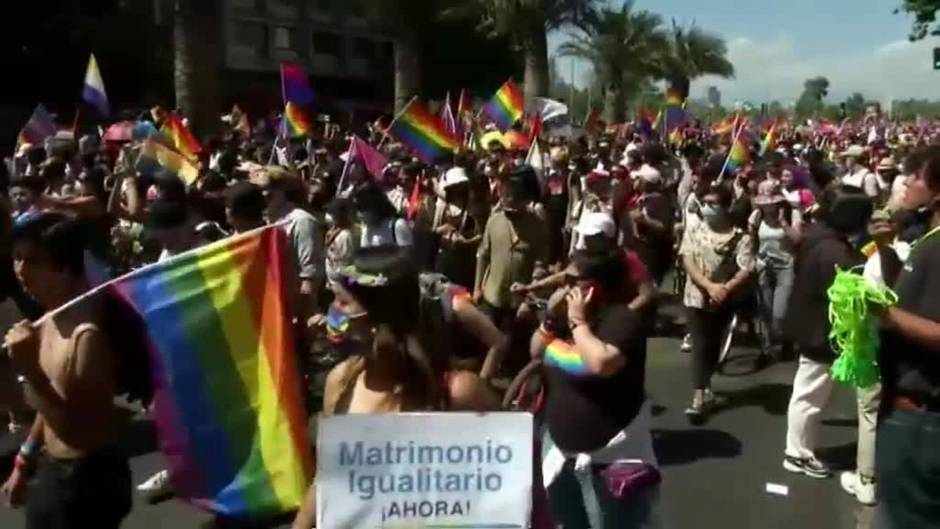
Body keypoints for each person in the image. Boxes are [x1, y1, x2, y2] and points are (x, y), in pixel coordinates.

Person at [291, 246, 499, 529]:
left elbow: (515, 474)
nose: (333, 312)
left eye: (342, 302)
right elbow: (328, 476)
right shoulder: (340, 382)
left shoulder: (455, 394)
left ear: (379, 319)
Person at [3, 213, 131, 528]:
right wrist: (24, 459)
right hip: (54, 469)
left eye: (32, 261)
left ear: (63, 269)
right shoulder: (48, 320)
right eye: (16, 258)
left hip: (88, 482)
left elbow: (77, 430)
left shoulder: (86, 336)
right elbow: (50, 410)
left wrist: (29, 369)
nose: (20, 271)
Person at [534, 249, 659, 529]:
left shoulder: (623, 321)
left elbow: (601, 363)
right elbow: (536, 350)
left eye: (572, 281)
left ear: (596, 287)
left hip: (609, 464)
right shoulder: (565, 318)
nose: (564, 287)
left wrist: (578, 323)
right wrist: (551, 319)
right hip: (561, 456)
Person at [782, 185, 872, 479]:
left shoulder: (817, 237)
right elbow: (856, 283)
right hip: (820, 332)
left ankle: (800, 449)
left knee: (808, 394)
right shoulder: (836, 251)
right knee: (809, 397)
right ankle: (798, 454)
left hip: (810, 327)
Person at [873, 146, 940, 527]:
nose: (908, 183)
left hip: (921, 422)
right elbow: (914, 301)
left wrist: (882, 313)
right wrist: (885, 250)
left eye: (916, 176)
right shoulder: (927, 240)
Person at [679, 183, 754, 422]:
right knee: (700, 343)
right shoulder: (695, 230)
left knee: (713, 344)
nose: (709, 208)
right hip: (696, 295)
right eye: (706, 203)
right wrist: (708, 286)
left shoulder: (740, 237)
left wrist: (724, 288)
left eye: (714, 204)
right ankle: (698, 395)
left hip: (723, 299)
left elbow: (746, 268)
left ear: (727, 206)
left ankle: (706, 383)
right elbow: (688, 260)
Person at [474, 170, 549, 329]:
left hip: (519, 304)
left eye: (516, 197)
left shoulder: (538, 227)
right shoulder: (494, 221)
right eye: (507, 195)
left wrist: (531, 297)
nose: (510, 200)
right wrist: (477, 288)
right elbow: (483, 255)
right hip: (492, 298)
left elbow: (540, 264)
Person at [748, 179, 801, 357]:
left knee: (780, 311)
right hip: (764, 264)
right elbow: (751, 242)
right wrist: (751, 260)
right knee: (765, 308)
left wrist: (784, 224)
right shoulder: (756, 217)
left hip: (785, 266)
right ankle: (769, 344)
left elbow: (798, 239)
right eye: (764, 204)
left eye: (771, 203)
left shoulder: (792, 214)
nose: (768, 207)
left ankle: (787, 338)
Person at [352, 182, 413, 249]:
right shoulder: (366, 229)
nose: (359, 215)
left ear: (375, 206)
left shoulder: (398, 225)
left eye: (362, 209)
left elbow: (407, 256)